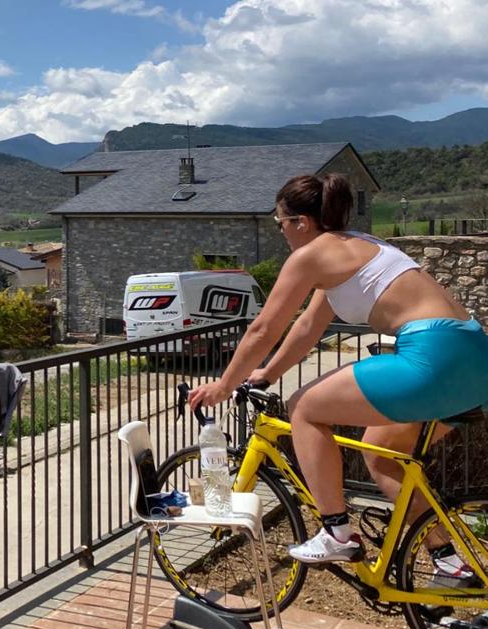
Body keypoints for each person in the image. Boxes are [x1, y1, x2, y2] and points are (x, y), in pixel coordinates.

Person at [188, 173, 488, 566]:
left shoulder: (310, 255)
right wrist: (266, 374)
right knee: (382, 454)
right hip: (474, 356)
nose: (281, 232)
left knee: (305, 408)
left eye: (280, 223)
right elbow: (307, 327)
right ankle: (450, 562)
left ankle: (337, 533)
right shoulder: (359, 247)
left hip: (432, 354)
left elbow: (263, 329)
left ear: (301, 222)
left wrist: (224, 385)